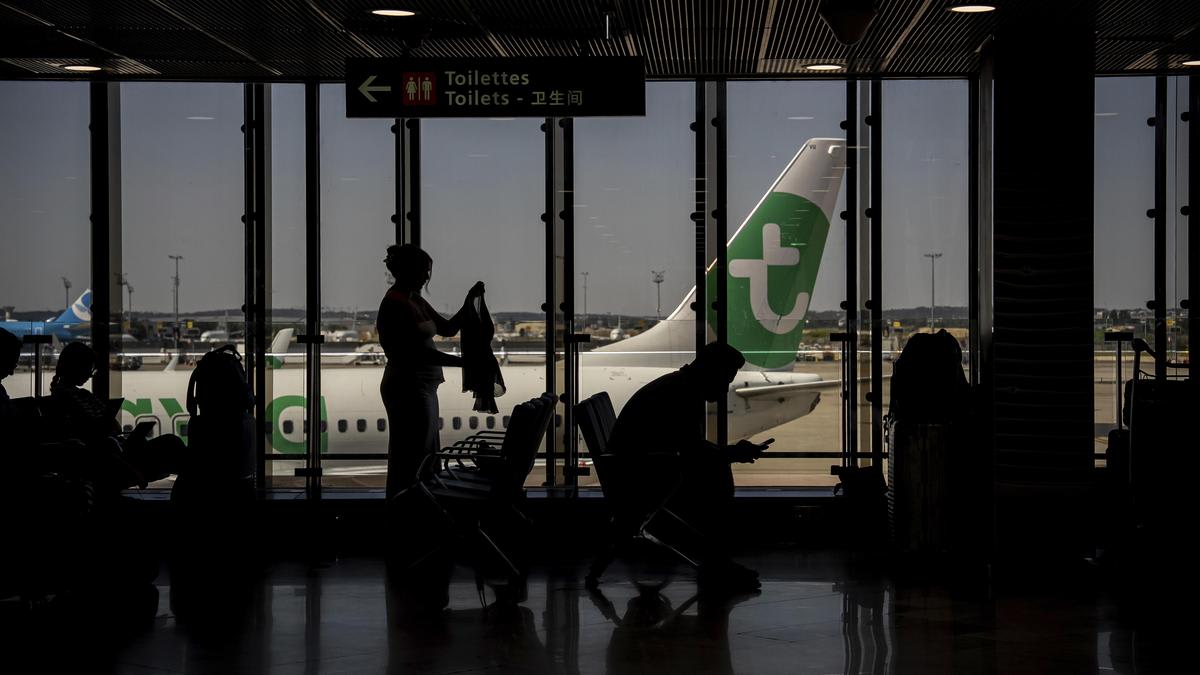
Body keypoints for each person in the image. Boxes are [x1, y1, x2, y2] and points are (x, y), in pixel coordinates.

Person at [605, 342, 772, 589]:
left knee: (716, 468)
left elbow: (689, 447)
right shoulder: (682, 394)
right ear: (710, 372)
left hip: (633, 472)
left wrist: (728, 453)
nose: (725, 389)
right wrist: (732, 453)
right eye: (724, 380)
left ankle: (716, 562)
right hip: (642, 479)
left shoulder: (677, 386)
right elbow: (693, 451)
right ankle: (716, 564)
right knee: (716, 477)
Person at [378, 243, 484, 498]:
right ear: (408, 270)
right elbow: (419, 354)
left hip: (420, 385)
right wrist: (465, 364)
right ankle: (411, 509)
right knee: (416, 455)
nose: (427, 276)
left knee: (417, 452)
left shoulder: (412, 299)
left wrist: (468, 302)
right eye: (424, 270)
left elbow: (447, 329)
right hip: (408, 385)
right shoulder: (397, 304)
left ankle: (413, 508)